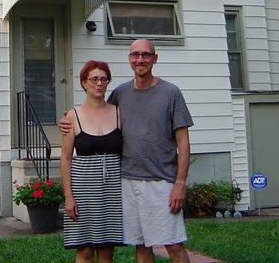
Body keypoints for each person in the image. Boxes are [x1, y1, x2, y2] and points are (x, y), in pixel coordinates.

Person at [60, 39, 193, 263]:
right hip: (127, 181)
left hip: (161, 181)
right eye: (135, 55)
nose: (140, 59)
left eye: (146, 55)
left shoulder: (171, 93)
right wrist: (66, 118)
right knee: (140, 245)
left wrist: (180, 183)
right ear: (129, 59)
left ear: (155, 58)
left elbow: (184, 143)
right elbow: (95, 109)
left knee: (174, 244)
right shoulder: (121, 94)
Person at [61, 60, 124, 263]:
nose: (99, 83)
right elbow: (66, 158)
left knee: (107, 250)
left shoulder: (118, 113)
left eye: (104, 79)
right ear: (84, 83)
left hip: (112, 191)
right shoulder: (72, 116)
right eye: (94, 79)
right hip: (83, 191)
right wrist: (68, 196)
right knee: (85, 250)